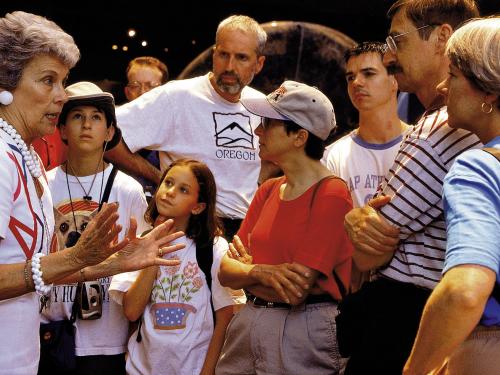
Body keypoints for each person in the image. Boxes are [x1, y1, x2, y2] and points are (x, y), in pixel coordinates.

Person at [0, 11, 183, 374]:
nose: (60, 96)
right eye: (48, 81)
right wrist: (75, 256)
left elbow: (34, 271)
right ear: (6, 83)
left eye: (62, 81)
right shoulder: (2, 158)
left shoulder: (23, 156)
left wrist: (113, 265)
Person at [341, 0, 481, 373]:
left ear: (443, 38)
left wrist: (357, 220)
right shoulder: (462, 128)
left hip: (406, 322)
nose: (389, 57)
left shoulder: (441, 130)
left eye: (397, 42)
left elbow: (369, 255)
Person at [215, 81, 353, 375]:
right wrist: (262, 272)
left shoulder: (332, 193)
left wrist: (248, 271)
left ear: (300, 137)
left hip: (301, 331)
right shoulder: (269, 190)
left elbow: (295, 291)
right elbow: (225, 272)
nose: (257, 131)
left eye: (268, 123)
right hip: (251, 321)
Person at [105, 15, 271, 240]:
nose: (230, 66)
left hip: (242, 233)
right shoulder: (177, 96)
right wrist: (160, 177)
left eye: (241, 57)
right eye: (223, 54)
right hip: (187, 231)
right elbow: (106, 132)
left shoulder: (261, 106)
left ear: (259, 63)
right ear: (214, 55)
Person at [404, 17, 500, 375]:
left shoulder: (478, 168)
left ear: (489, 91)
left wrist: (415, 369)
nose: (443, 86)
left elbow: (464, 292)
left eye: (455, 75)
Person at [40, 81, 150, 374]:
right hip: (50, 331)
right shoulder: (42, 186)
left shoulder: (129, 191)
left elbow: (140, 262)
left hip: (108, 340)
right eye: (77, 116)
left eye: (96, 118)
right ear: (61, 129)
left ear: (110, 132)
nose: (86, 125)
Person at [109, 159, 245, 375]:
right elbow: (132, 311)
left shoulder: (213, 248)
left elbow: (225, 317)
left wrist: (207, 372)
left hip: (192, 369)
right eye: (168, 182)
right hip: (141, 369)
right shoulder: (140, 242)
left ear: (199, 207)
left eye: (183, 189)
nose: (170, 192)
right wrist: (153, 251)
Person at [323, 41, 409, 291]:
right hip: (353, 292)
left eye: (368, 74)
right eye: (350, 76)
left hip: (411, 289)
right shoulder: (333, 155)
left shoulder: (420, 145)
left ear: (395, 80)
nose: (357, 83)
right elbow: (328, 233)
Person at [123, 56, 170, 200]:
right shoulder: (111, 126)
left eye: (151, 86)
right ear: (127, 91)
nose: (143, 92)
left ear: (164, 90)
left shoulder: (177, 127)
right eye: (135, 85)